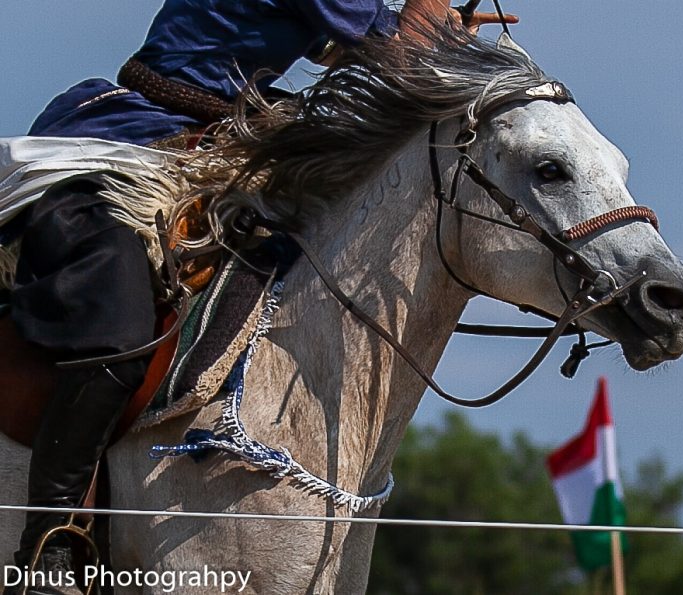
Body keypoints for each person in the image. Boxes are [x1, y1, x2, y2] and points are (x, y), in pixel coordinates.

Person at [3, 1, 516, 593]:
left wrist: (433, 32)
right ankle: (50, 544)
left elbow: (350, 46)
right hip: (133, 149)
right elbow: (397, 51)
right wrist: (429, 26)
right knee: (116, 337)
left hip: (214, 154)